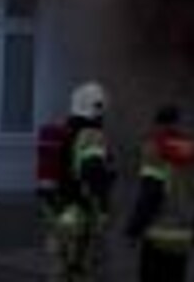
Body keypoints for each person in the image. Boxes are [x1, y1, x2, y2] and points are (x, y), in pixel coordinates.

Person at [124, 103, 194, 281]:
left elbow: (150, 194)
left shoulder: (154, 148)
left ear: (159, 124)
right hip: (183, 236)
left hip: (158, 235)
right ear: (178, 123)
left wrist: (134, 229)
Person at [46, 81, 116, 281]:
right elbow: (93, 171)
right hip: (82, 212)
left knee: (61, 270)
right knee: (82, 270)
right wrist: (103, 207)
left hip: (62, 211)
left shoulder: (67, 131)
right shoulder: (92, 136)